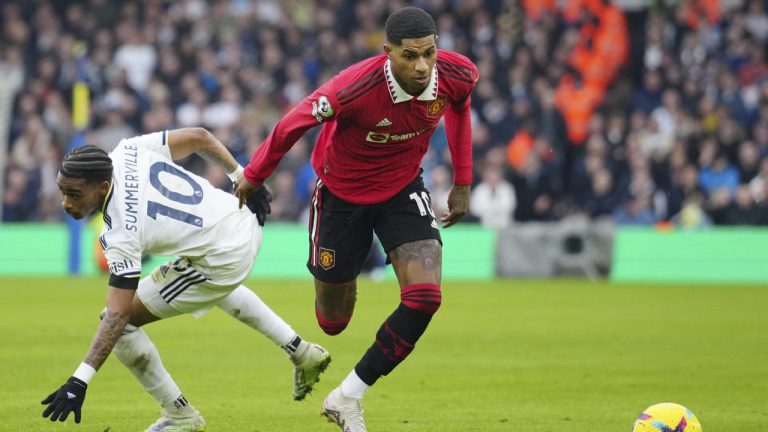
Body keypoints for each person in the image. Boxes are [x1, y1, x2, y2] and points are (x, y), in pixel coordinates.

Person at [234, 7, 478, 431]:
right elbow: (291, 124)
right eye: (409, 56)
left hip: (402, 188)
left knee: (425, 299)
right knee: (333, 323)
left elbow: (460, 106)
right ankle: (346, 279)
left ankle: (347, 397)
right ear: (387, 53)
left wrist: (463, 180)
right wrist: (253, 176)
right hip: (341, 197)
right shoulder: (352, 87)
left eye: (429, 53)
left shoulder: (457, 74)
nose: (422, 66)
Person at [42, 128, 331, 431]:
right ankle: (302, 352)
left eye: (74, 194)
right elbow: (199, 137)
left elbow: (117, 315)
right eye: (62, 192)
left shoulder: (120, 234)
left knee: (120, 327)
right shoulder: (128, 151)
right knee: (207, 285)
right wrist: (243, 177)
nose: (65, 203)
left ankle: (180, 415)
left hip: (223, 257)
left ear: (102, 188)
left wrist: (79, 380)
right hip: (240, 214)